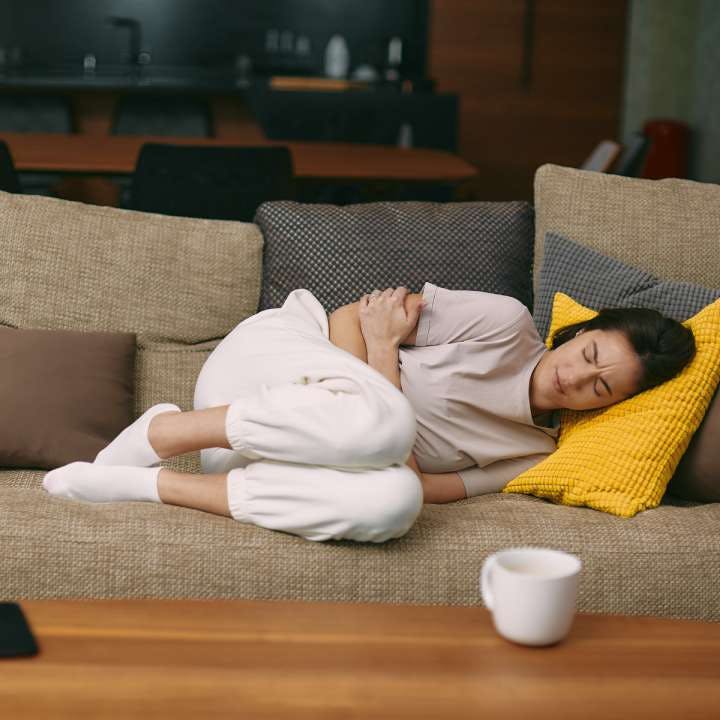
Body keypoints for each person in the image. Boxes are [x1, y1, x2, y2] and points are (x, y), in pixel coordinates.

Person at [42, 283, 695, 544]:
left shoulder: (534, 453)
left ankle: (150, 483)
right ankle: (166, 431)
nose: (577, 377)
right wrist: (377, 357)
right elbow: (354, 319)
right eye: (589, 354)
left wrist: (388, 357)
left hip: (267, 453)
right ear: (581, 332)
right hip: (272, 363)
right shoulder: (505, 324)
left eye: (600, 388)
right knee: (386, 428)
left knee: (393, 505)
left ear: (609, 405)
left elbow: (424, 487)